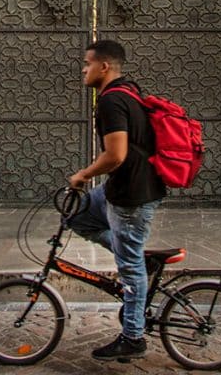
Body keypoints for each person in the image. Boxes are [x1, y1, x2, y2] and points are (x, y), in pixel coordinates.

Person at [68, 39, 165, 361]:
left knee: (129, 266)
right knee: (77, 214)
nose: (83, 69)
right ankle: (138, 256)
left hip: (131, 198)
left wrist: (83, 175)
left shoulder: (111, 101)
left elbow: (116, 155)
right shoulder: (127, 92)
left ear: (104, 66)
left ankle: (133, 336)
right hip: (120, 190)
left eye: (87, 63)